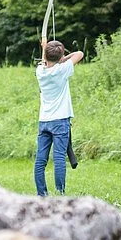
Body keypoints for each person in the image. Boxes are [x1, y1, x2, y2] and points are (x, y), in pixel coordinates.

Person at [34, 40, 84, 196]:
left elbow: (45, 62)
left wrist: (46, 50)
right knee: (59, 159)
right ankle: (60, 193)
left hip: (44, 121)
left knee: (40, 161)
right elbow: (79, 54)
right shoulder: (63, 69)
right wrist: (63, 58)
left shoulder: (40, 71)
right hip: (60, 121)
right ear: (61, 55)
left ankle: (42, 195)